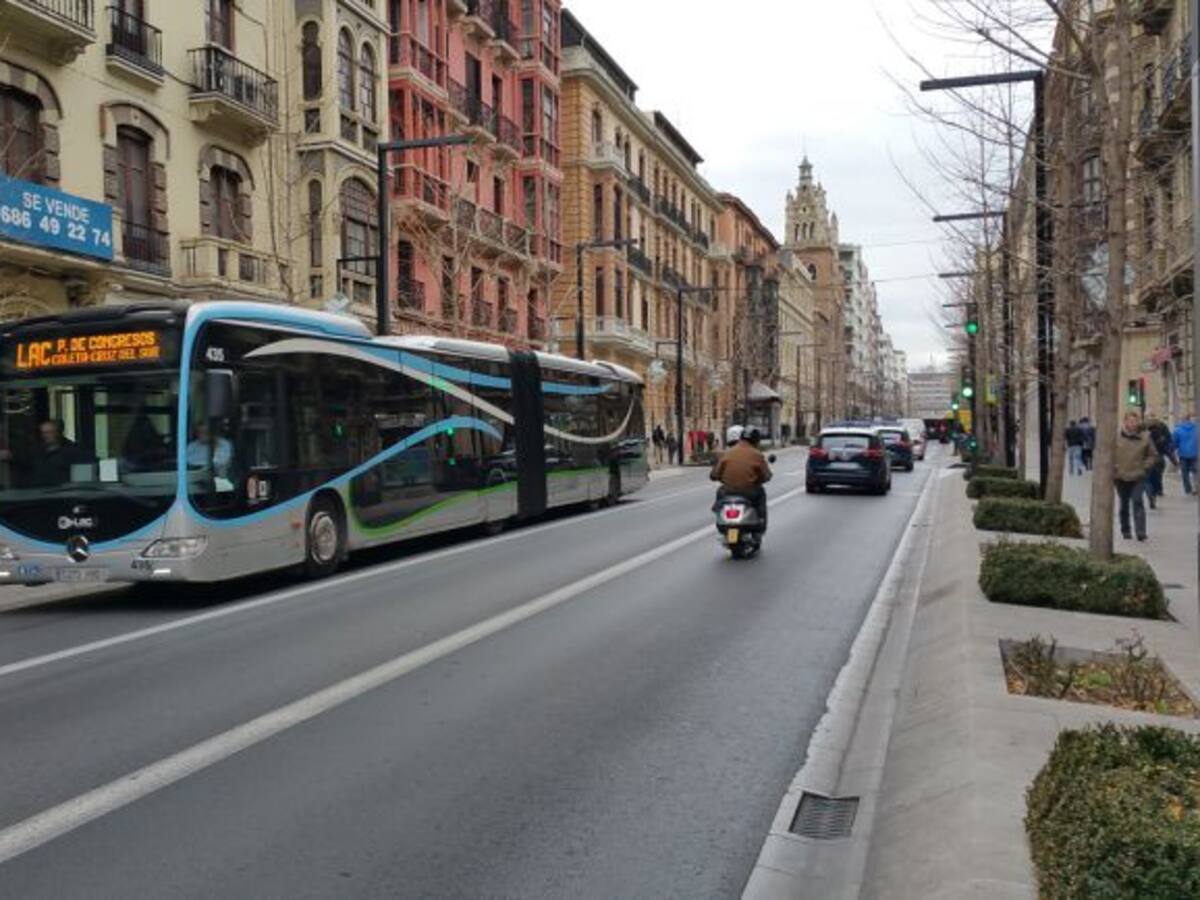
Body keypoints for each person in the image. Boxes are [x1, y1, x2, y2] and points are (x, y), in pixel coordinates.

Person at [711, 426, 773, 532]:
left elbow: (714, 474)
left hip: (727, 491)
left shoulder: (727, 453)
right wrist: (760, 479)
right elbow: (766, 475)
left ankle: (717, 510)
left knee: (720, 492)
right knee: (761, 493)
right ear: (756, 440)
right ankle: (761, 521)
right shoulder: (757, 454)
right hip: (749, 491)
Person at [1114, 411, 1158, 542]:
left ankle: (1141, 531)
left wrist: (1145, 466)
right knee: (1124, 504)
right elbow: (1108, 453)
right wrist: (1113, 466)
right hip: (1120, 476)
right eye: (1130, 421)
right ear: (1125, 422)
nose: (1132, 424)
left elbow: (1153, 455)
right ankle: (1126, 530)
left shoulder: (1145, 437)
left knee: (1138, 501)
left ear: (1138, 422)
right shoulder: (1116, 436)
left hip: (1138, 475)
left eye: (1135, 421)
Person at [29, 419, 85, 487]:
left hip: (62, 492)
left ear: (58, 432)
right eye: (43, 433)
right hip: (39, 491)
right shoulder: (36, 451)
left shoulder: (72, 450)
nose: (45, 436)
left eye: (49, 432)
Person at [1143, 413, 1175, 508]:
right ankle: (1155, 492)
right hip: (1158, 457)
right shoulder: (1162, 428)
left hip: (1148, 458)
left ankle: (1151, 494)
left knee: (1148, 480)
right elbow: (1168, 442)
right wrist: (1173, 458)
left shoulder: (1144, 429)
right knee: (1156, 477)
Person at [1173, 413, 1197, 496]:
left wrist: (1172, 450)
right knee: (1196, 471)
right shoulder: (1196, 428)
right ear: (1190, 419)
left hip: (1183, 455)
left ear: (1182, 420)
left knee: (1185, 473)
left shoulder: (1178, 430)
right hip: (1195, 454)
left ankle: (1188, 489)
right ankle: (1196, 487)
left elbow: (1174, 443)